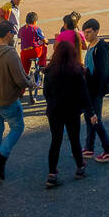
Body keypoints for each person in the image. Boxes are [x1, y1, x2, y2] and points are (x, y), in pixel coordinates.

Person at [0, 22, 34, 181]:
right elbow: (20, 80)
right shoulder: (10, 53)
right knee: (17, 127)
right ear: (9, 34)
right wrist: (31, 82)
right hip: (6, 100)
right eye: (13, 34)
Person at [43, 39, 93, 188]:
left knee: (55, 141)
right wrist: (91, 112)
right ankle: (80, 168)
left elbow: (46, 93)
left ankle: (52, 174)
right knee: (74, 140)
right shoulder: (77, 71)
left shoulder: (50, 70)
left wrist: (53, 102)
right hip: (72, 111)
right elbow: (84, 95)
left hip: (54, 111)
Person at [81, 19, 109, 162]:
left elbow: (101, 73)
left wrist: (86, 73)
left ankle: (108, 150)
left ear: (96, 31)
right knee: (90, 119)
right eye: (85, 32)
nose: (86, 35)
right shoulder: (91, 46)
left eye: (89, 32)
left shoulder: (99, 49)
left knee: (95, 119)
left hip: (95, 90)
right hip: (90, 88)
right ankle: (89, 148)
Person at [18, 12, 49, 101]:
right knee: (44, 47)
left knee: (24, 72)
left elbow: (21, 37)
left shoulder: (22, 29)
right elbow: (43, 39)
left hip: (24, 53)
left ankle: (21, 91)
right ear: (35, 21)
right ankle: (42, 64)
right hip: (34, 52)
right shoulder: (36, 28)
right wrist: (45, 41)